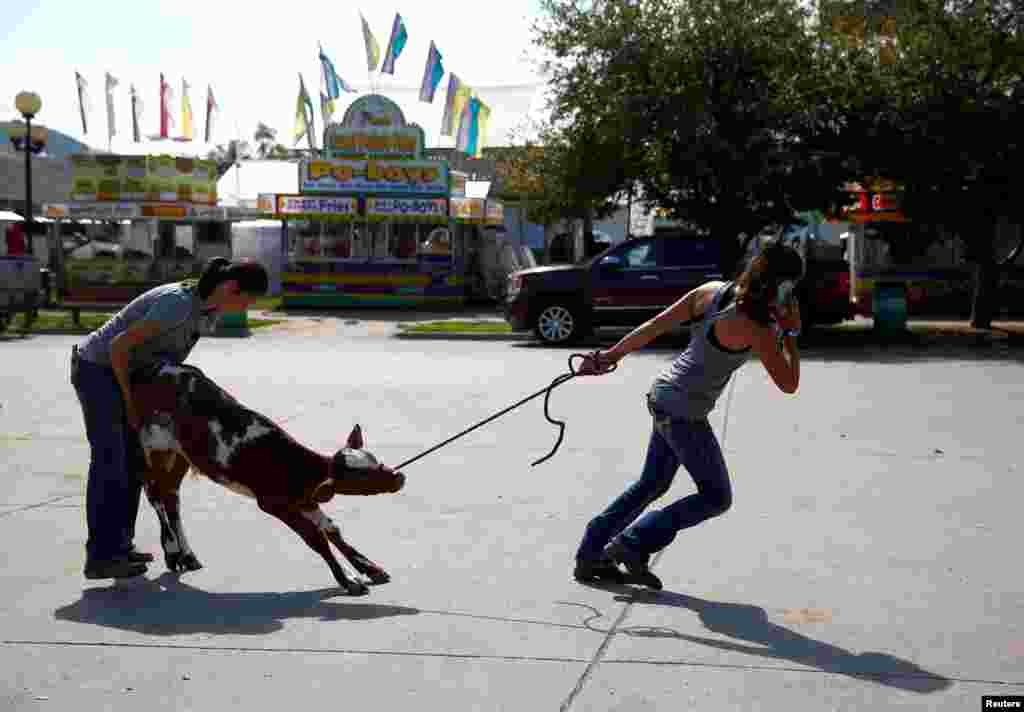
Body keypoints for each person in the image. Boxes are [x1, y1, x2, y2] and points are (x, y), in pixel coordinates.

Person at [573, 240, 805, 590]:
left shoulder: (712, 292)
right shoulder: (757, 328)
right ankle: (633, 542)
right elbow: (789, 383)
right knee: (716, 496)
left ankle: (593, 550)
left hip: (663, 394)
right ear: (783, 287)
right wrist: (791, 333)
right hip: (683, 413)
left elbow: (656, 324)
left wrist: (610, 355)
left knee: (652, 483)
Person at [70, 257, 269, 580]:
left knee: (136, 462)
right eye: (247, 300)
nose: (246, 308)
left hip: (128, 374)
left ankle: (119, 545)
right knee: (111, 460)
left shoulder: (206, 310)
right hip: (99, 370)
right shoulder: (176, 305)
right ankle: (101, 555)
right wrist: (130, 403)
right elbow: (119, 348)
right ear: (231, 288)